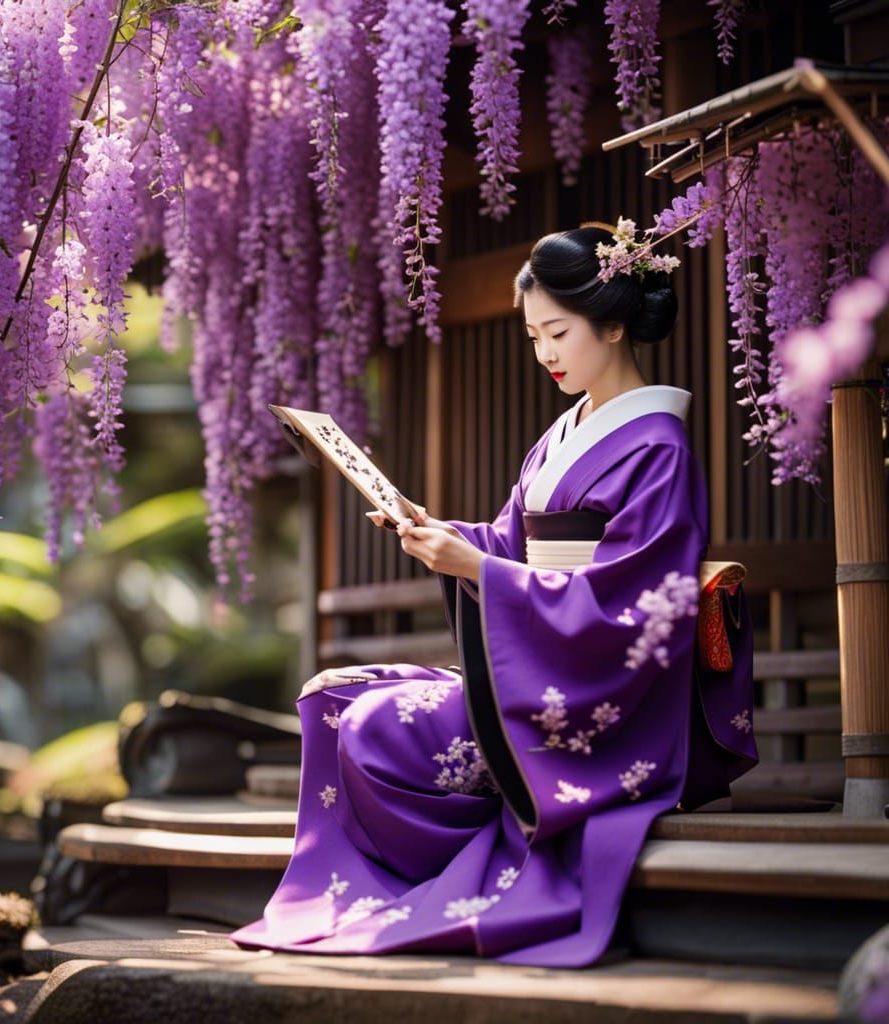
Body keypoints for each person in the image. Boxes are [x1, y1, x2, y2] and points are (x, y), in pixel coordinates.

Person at [231, 223, 758, 967]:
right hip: (542, 663)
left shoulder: (659, 451)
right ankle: (372, 888)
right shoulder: (565, 432)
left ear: (614, 325)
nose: (544, 353)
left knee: (376, 725)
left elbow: (637, 605)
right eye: (534, 335)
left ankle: (414, 884)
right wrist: (437, 532)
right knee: (332, 699)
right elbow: (511, 543)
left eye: (558, 333)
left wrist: (479, 571)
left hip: (593, 702)